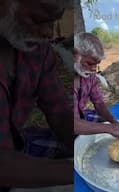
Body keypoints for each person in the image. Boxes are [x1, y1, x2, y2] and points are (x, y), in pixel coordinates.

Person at [0, 0, 73, 189]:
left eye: (53, 22)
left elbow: (59, 112)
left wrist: (89, 145)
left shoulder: (37, 52)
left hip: (16, 148)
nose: (48, 33)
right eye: (38, 20)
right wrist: (80, 169)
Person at [73, 32, 119, 142]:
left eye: (96, 64)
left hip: (80, 117)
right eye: (89, 63)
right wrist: (110, 128)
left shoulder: (90, 77)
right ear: (75, 54)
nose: (93, 69)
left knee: (105, 121)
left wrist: (115, 123)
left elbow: (99, 104)